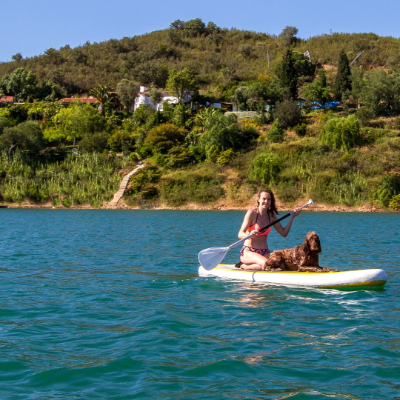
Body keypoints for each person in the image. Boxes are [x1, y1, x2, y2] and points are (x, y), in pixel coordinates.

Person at [237, 189, 301, 270]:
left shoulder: (271, 216)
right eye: (264, 199)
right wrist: (249, 235)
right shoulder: (252, 213)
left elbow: (284, 233)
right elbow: (240, 234)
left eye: (269, 199)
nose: (266, 201)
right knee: (266, 264)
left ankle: (258, 266)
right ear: (258, 199)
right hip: (249, 252)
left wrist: (292, 217)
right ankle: (245, 266)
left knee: (282, 264)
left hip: (265, 252)